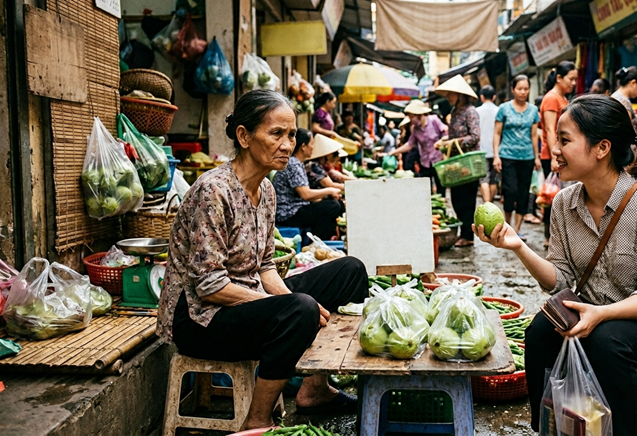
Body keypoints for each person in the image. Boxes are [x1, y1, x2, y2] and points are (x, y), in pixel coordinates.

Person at [474, 94, 637, 436]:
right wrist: (518, 246)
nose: (554, 149)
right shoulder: (563, 203)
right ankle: (548, 427)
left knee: (606, 341)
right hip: (593, 319)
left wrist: (600, 315)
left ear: (602, 148)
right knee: (539, 331)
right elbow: (560, 280)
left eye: (564, 140)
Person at [157, 90, 369, 432]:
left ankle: (315, 388)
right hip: (199, 319)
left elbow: (265, 266)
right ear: (244, 136)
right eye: (276, 134)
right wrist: (288, 306)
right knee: (299, 309)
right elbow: (210, 287)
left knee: (350, 270)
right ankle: (256, 419)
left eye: (291, 135)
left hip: (244, 296)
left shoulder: (266, 190)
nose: (287, 144)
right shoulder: (214, 190)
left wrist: (287, 301)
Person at [272, 127, 344, 241]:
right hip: (287, 214)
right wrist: (330, 191)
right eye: (311, 144)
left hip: (296, 209)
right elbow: (306, 194)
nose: (313, 147)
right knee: (333, 206)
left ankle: (321, 240)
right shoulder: (293, 165)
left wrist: (327, 195)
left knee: (335, 205)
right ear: (303, 146)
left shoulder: (298, 164)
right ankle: (316, 242)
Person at [435, 74, 481, 248]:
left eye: (450, 94)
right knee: (455, 199)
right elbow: (455, 134)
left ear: (460, 94)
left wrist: (453, 142)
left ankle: (468, 236)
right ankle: (464, 232)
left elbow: (475, 137)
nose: (448, 97)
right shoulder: (454, 111)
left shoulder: (470, 112)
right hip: (456, 162)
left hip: (469, 163)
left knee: (467, 200)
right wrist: (445, 140)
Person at [494, 75, 541, 240]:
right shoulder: (504, 109)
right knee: (510, 190)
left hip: (527, 156)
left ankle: (517, 229)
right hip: (507, 155)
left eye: (526, 89)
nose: (523, 92)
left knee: (523, 192)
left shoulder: (534, 110)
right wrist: (496, 156)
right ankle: (506, 226)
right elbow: (497, 133)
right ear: (513, 89)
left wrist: (536, 157)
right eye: (519, 89)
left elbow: (534, 135)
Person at [540, 61, 578, 249]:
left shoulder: (563, 98)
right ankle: (551, 237)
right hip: (553, 154)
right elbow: (549, 128)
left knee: (562, 195)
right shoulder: (551, 98)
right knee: (553, 196)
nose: (573, 83)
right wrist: (555, 155)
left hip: (561, 153)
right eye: (571, 79)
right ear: (559, 78)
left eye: (575, 80)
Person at [388, 100, 446, 194]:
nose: (410, 120)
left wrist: (441, 142)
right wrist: (393, 152)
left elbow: (445, 132)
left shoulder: (434, 120)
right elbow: (410, 144)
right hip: (424, 162)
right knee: (426, 189)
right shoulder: (415, 129)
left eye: (412, 117)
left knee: (440, 187)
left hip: (438, 160)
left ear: (419, 115)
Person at [476, 85, 500, 204]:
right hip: (496, 151)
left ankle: (487, 204)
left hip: (481, 150)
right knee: (493, 179)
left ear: (481, 97)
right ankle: (491, 204)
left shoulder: (476, 111)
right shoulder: (499, 110)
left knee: (483, 179)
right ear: (494, 97)